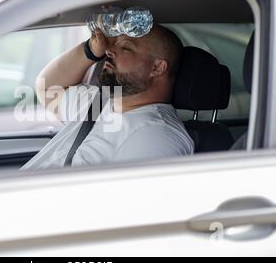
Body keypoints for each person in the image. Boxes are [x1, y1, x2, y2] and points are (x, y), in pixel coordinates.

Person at [20, 24, 194, 171]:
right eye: (113, 45)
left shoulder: (156, 136)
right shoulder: (100, 103)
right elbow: (48, 87)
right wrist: (91, 50)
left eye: (125, 47)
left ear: (157, 68)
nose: (109, 51)